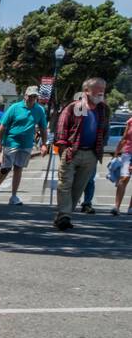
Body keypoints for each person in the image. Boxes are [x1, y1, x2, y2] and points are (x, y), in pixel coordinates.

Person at [52, 77, 109, 231]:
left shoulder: (103, 109)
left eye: (103, 89)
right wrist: (64, 148)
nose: (101, 92)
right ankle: (65, 215)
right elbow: (62, 128)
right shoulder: (76, 107)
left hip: (91, 153)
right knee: (65, 184)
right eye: (98, 89)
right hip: (73, 151)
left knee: (78, 187)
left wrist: (100, 148)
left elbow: (105, 130)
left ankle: (63, 216)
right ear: (86, 91)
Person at [0, 86, 49, 204]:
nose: (32, 98)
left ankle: (14, 196)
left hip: (26, 144)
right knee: (6, 167)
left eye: (34, 96)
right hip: (11, 142)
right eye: (30, 96)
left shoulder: (39, 110)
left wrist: (44, 145)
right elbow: (2, 126)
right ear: (25, 95)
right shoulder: (14, 108)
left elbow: (43, 128)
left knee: (18, 168)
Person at [111, 120, 132, 215]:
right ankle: (116, 207)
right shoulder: (130, 121)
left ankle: (131, 208)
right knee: (124, 178)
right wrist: (116, 153)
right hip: (127, 153)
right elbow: (124, 138)